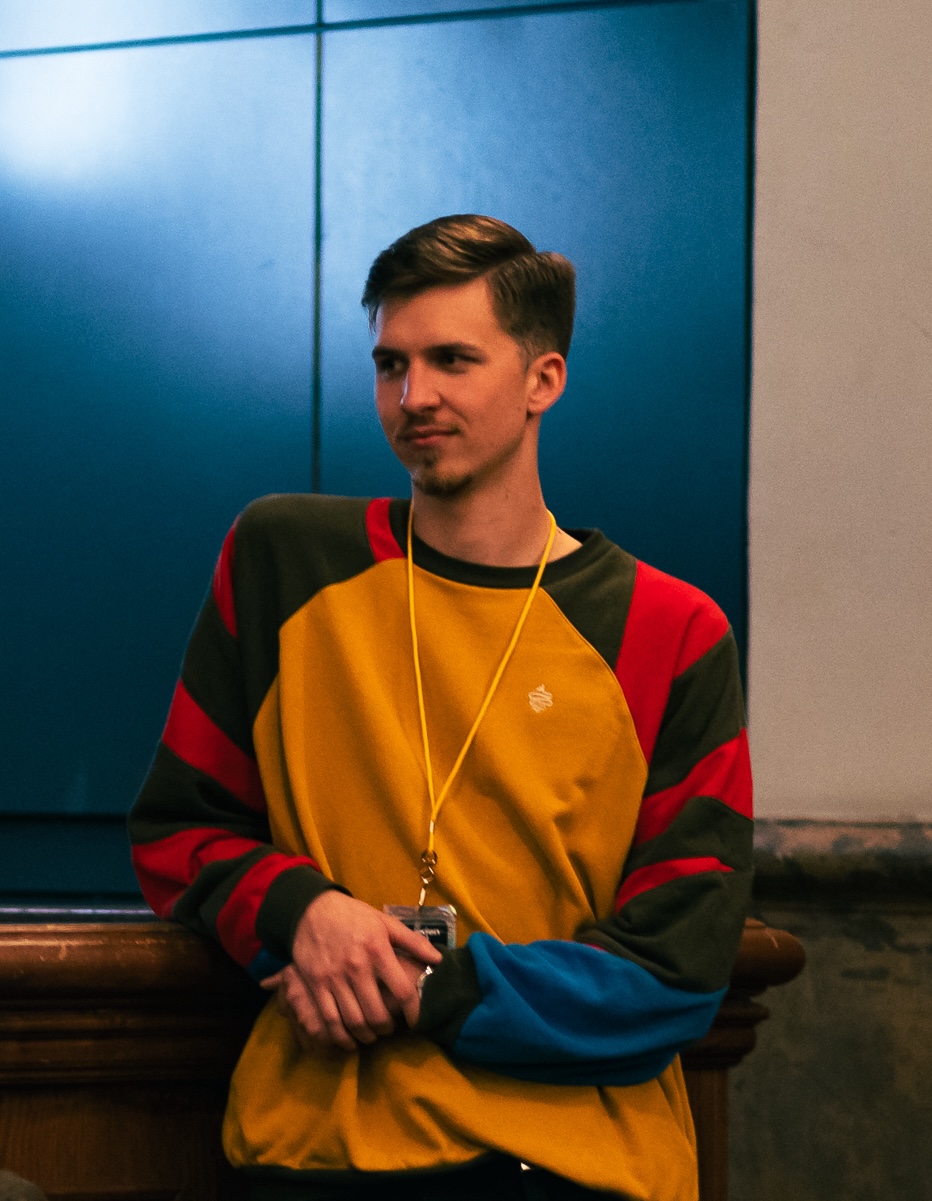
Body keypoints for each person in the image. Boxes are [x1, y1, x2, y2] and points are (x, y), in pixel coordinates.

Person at [129, 215, 752, 1201]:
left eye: (452, 360)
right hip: (314, 1152)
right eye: (391, 364)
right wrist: (304, 911)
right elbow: (180, 830)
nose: (413, 396)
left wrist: (419, 985)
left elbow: (677, 969)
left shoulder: (670, 630)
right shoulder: (282, 559)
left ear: (542, 379)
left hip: (572, 1165)